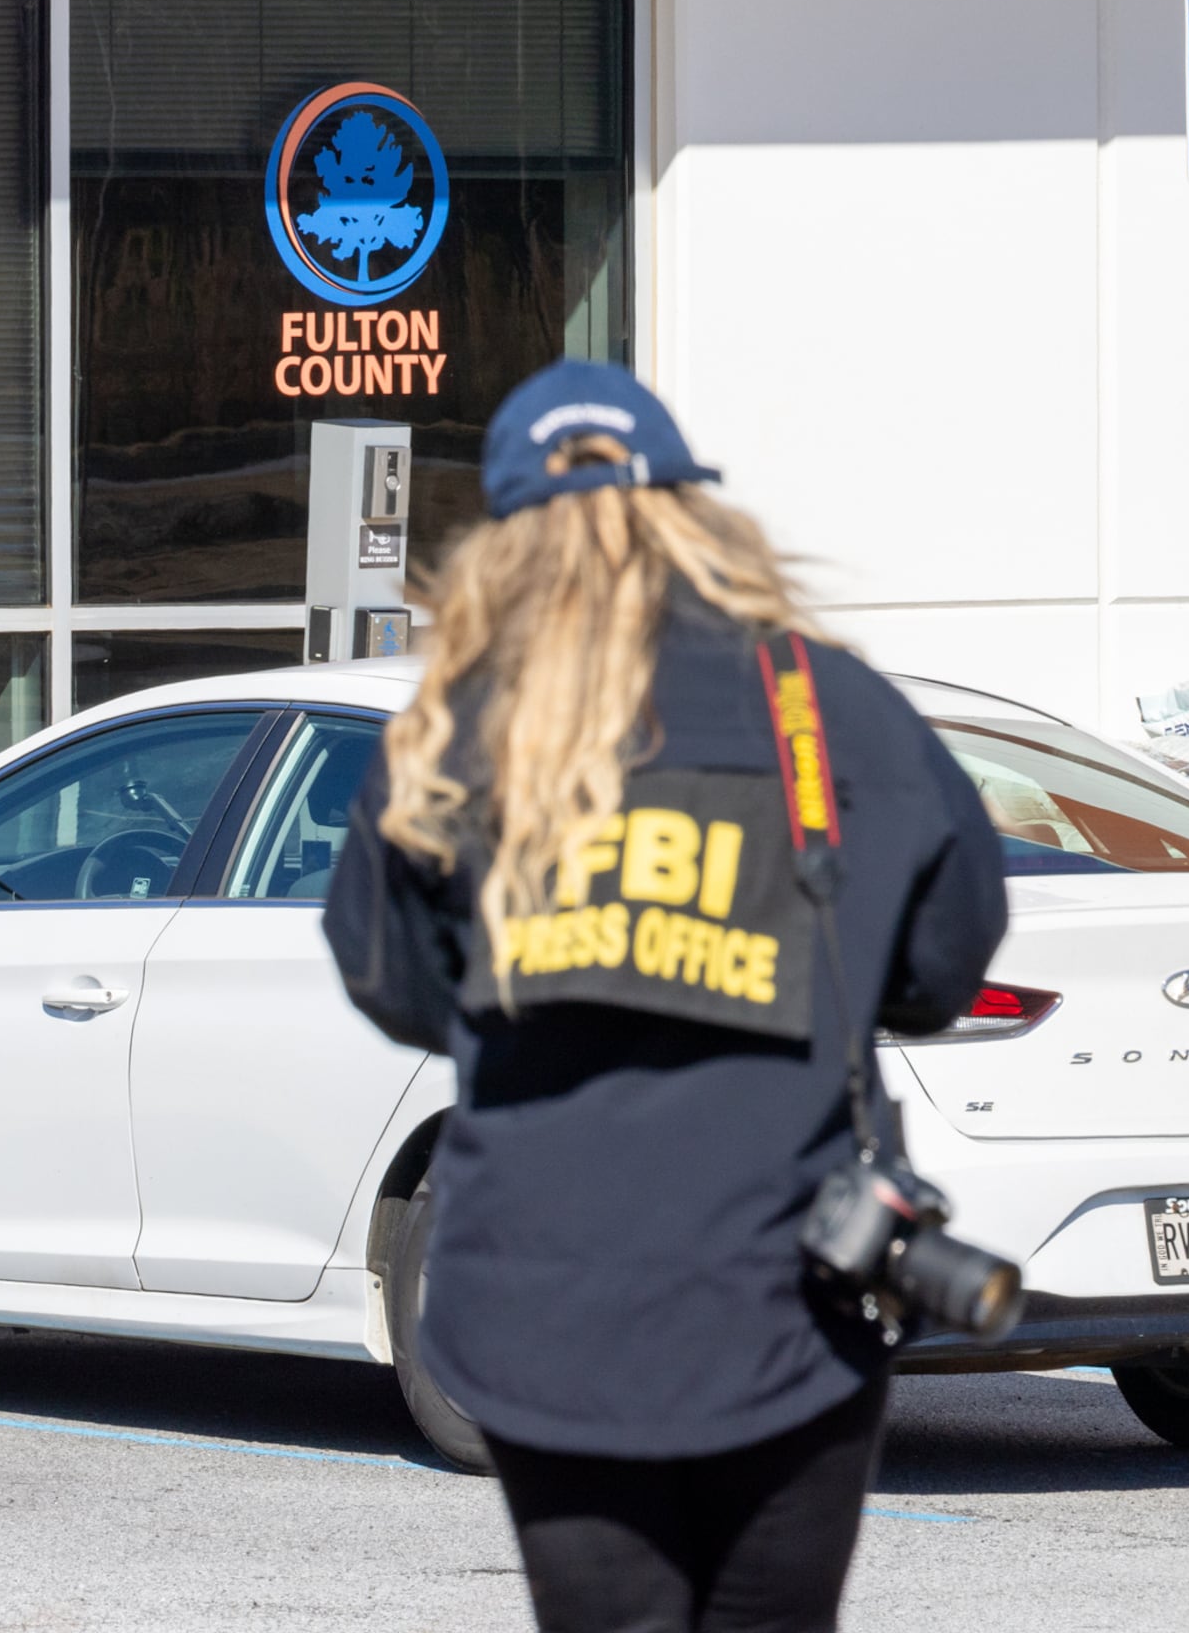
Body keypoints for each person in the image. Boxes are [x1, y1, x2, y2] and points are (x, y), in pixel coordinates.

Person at [323, 361, 1007, 1633]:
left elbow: (390, 976)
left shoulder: (462, 723)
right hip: (784, 1297)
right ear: (695, 510)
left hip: (544, 1306)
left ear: (508, 540)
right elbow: (944, 962)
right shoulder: (828, 709)